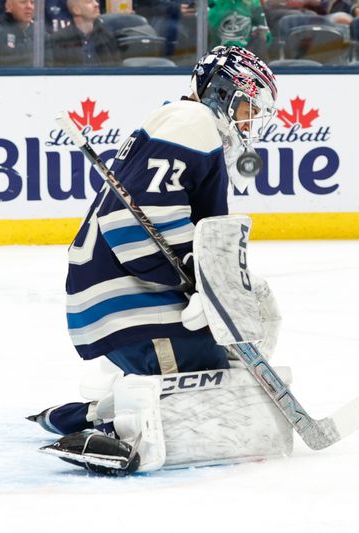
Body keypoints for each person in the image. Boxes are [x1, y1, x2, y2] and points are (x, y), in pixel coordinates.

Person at [28, 46, 279, 475]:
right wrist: (198, 280)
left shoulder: (190, 127)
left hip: (128, 296)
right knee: (206, 388)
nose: (248, 122)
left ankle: (93, 411)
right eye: (245, 107)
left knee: (250, 318)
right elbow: (132, 225)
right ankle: (113, 427)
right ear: (221, 92)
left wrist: (213, 283)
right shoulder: (192, 122)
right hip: (128, 304)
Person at [45, 0, 120, 66]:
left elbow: (117, 69)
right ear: (76, 10)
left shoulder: (106, 36)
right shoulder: (59, 39)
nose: (96, 4)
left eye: (95, 0)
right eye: (88, 1)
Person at [207, 0, 272, 60]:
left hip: (246, 55)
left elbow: (265, 35)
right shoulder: (214, 5)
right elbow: (207, 33)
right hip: (218, 56)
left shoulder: (252, 4)